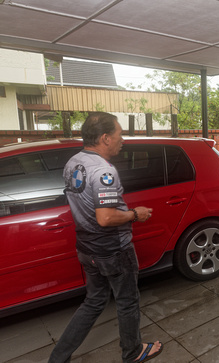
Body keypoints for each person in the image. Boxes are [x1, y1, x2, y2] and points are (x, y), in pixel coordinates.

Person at [49, 112, 163, 363]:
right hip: (113, 250)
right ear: (105, 138)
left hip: (86, 249)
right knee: (128, 301)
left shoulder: (74, 163)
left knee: (94, 301)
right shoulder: (103, 171)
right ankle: (133, 352)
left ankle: (58, 358)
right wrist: (136, 213)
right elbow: (106, 218)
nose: (123, 140)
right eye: (119, 135)